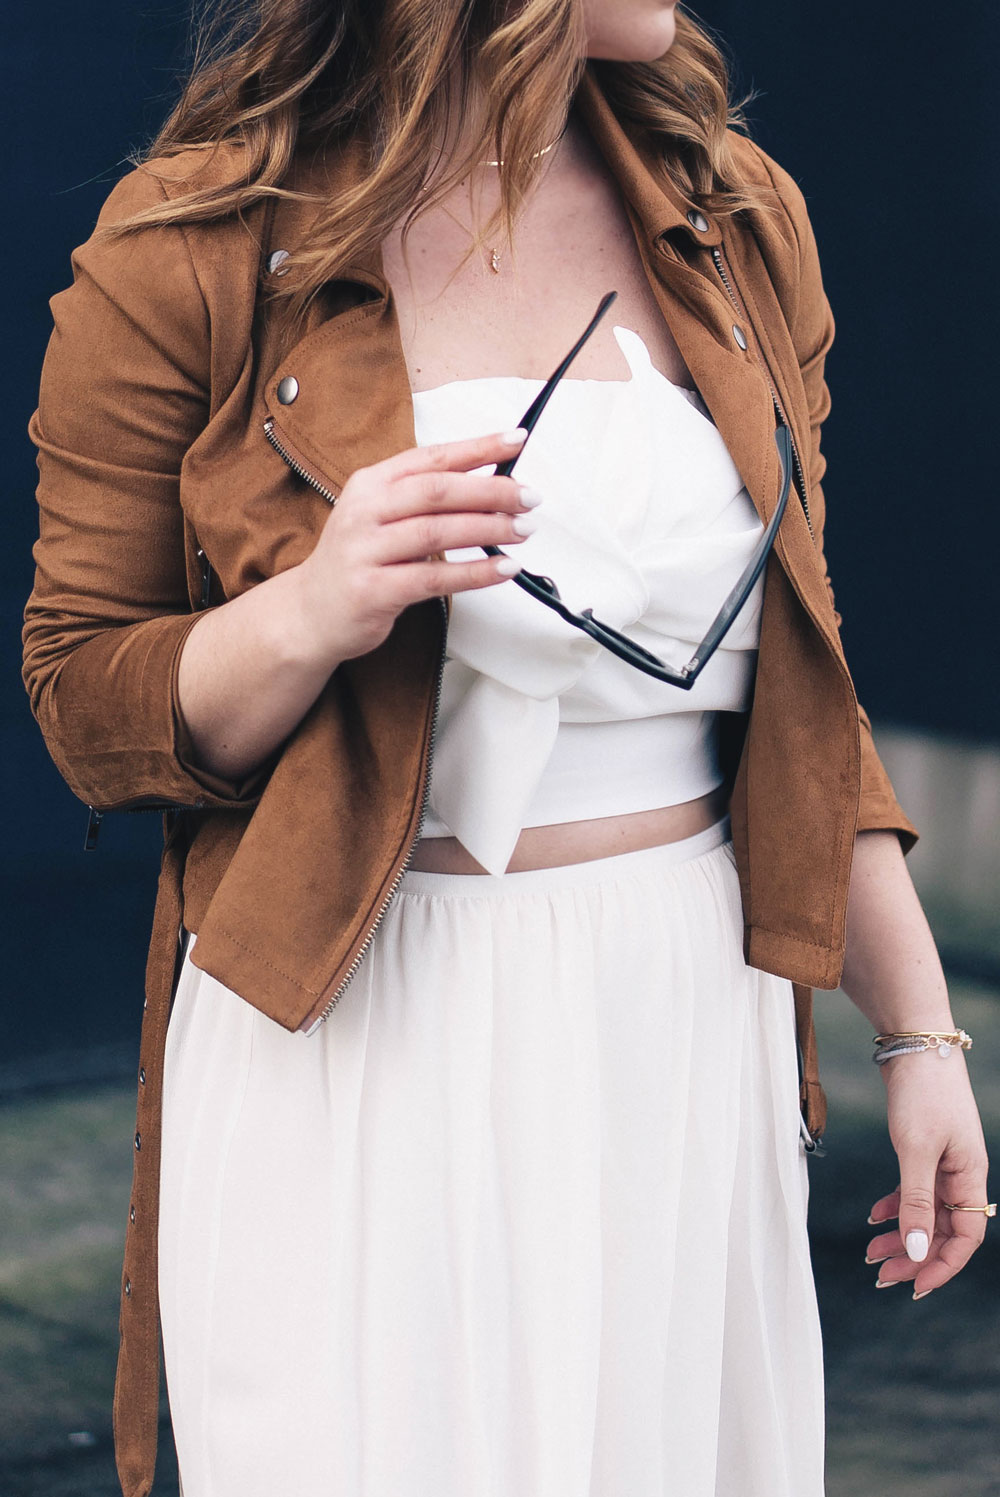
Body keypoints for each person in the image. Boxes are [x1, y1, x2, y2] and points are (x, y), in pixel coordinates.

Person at [22, 1, 993, 1494]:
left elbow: (807, 678)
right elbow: (87, 696)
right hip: (358, 1030)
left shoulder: (735, 210)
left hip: (686, 1021)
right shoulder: (193, 240)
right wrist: (318, 607)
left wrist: (919, 1031)